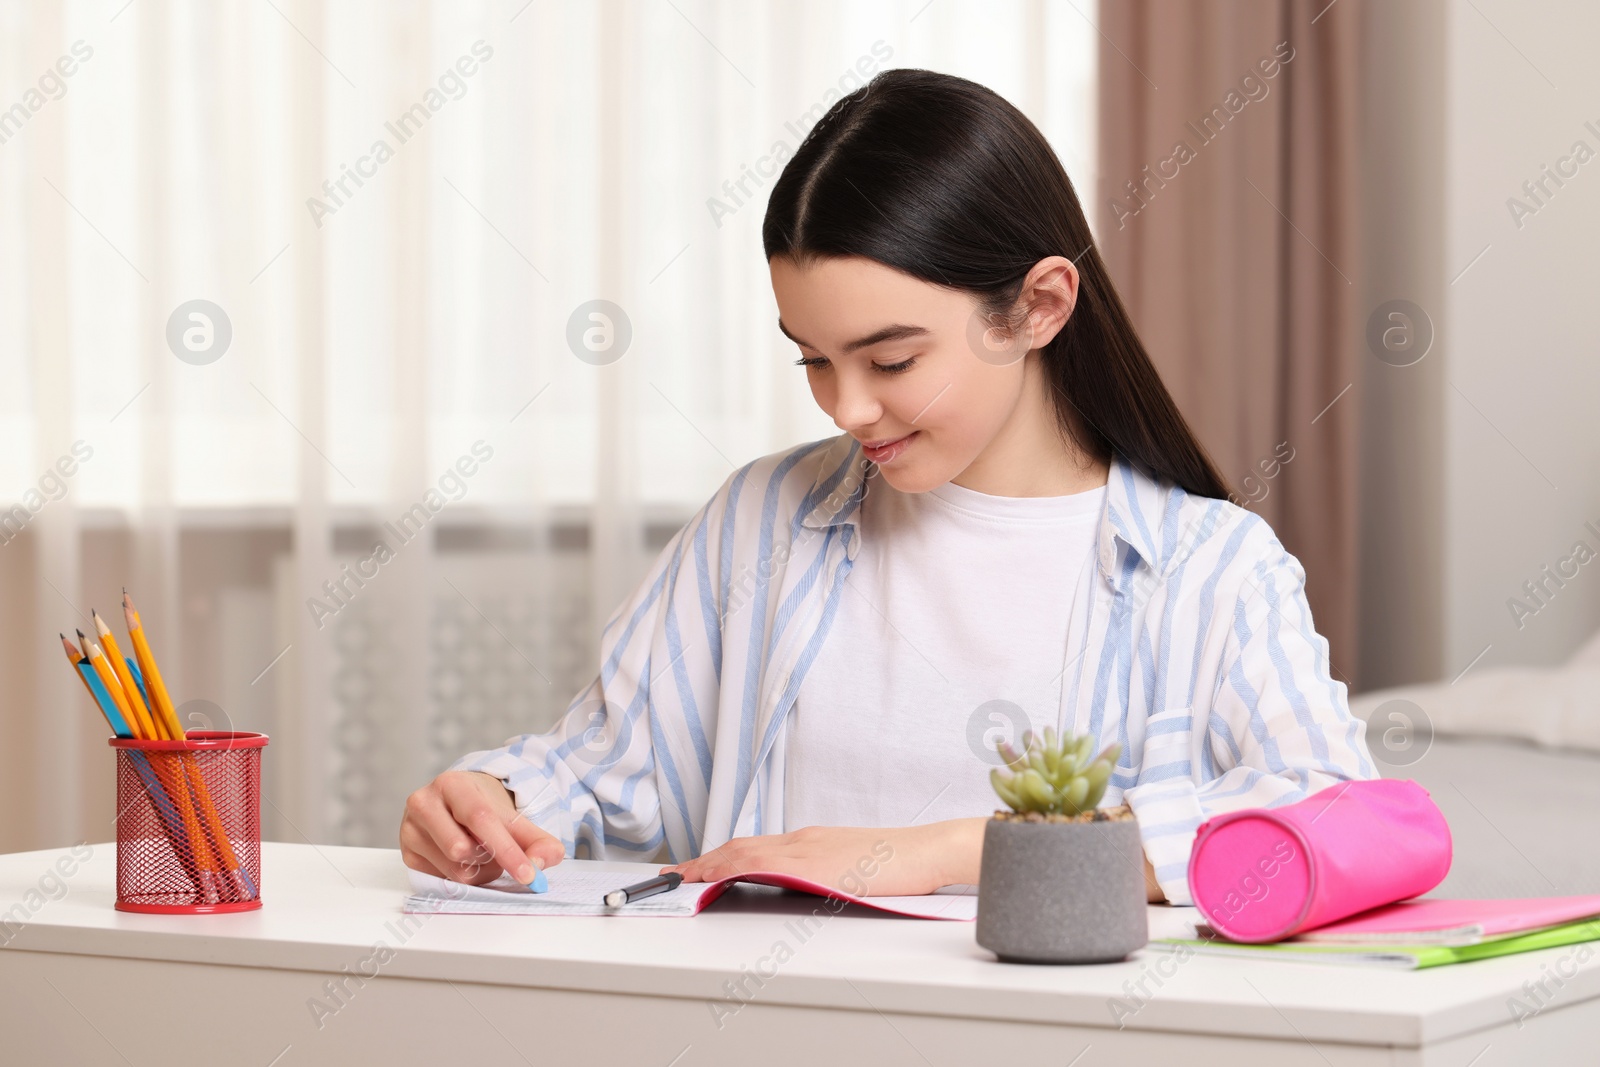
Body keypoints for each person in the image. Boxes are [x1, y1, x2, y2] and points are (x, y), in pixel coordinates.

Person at [399, 68, 1374, 907]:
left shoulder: (1210, 568)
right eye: (812, 361)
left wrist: (934, 853)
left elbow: (1335, 814)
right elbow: (601, 767)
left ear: (1037, 307)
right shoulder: (758, 522)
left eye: (892, 359)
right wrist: (496, 801)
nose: (848, 407)